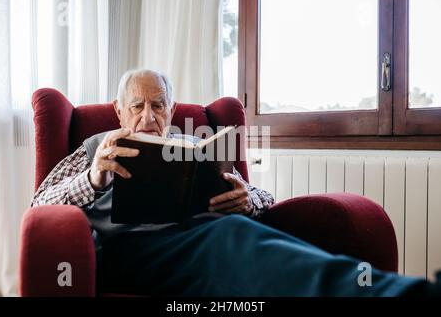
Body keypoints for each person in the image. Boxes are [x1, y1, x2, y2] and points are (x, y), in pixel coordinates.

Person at [31, 69, 440, 296]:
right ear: (119, 111)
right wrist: (93, 177)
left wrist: (248, 200)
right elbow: (39, 205)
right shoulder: (95, 146)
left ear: (172, 109)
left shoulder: (194, 142)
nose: (149, 116)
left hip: (209, 234)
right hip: (131, 247)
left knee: (261, 243)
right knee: (244, 244)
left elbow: (262, 195)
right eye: (138, 105)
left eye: (159, 105)